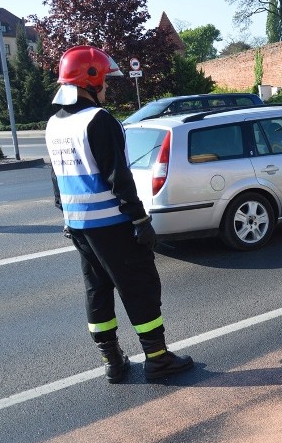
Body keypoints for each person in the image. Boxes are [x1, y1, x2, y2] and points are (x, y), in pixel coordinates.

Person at [45, 45, 193, 381]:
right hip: (112, 223)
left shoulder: (54, 124)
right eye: (105, 80)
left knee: (97, 289)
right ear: (91, 78)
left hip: (79, 226)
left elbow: (56, 179)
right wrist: (140, 220)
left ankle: (113, 362)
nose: (108, 87)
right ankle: (157, 359)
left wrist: (67, 218)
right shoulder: (99, 120)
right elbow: (118, 177)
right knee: (139, 285)